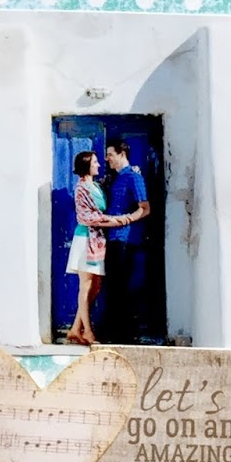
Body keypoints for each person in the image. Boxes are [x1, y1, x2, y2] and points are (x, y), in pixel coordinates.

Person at [65, 150, 141, 345]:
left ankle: (75, 329)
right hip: (85, 239)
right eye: (95, 162)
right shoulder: (81, 188)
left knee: (96, 285)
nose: (99, 164)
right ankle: (87, 331)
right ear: (87, 166)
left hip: (97, 241)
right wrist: (115, 221)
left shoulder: (97, 185)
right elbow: (87, 217)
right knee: (86, 285)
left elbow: (120, 178)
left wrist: (134, 170)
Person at [98, 137, 152, 344]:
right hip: (112, 238)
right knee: (113, 285)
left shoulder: (133, 177)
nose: (107, 159)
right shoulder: (115, 178)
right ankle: (113, 332)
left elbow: (145, 208)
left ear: (122, 154)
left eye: (110, 155)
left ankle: (126, 334)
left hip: (126, 240)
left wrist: (126, 219)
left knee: (123, 286)